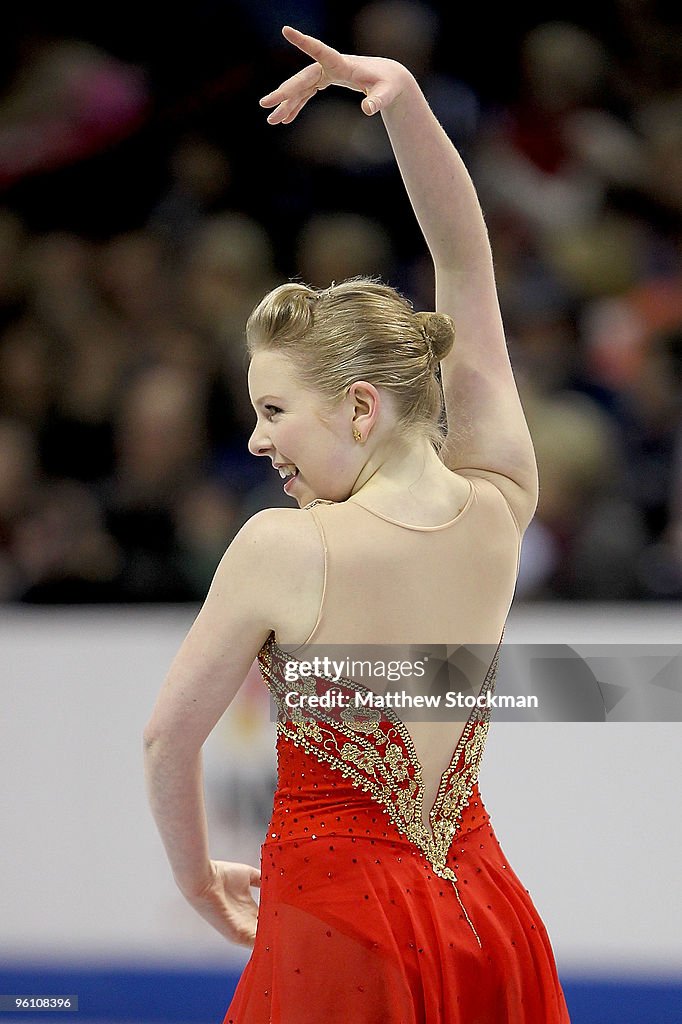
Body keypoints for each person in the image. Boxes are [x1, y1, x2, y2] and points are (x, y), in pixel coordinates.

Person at [143, 26, 571, 1024]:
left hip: (339, 927)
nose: (256, 441)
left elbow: (170, 736)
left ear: (361, 409)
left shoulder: (283, 545)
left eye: (275, 412)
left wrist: (197, 879)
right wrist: (412, 105)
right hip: (485, 918)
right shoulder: (503, 495)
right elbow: (467, 267)